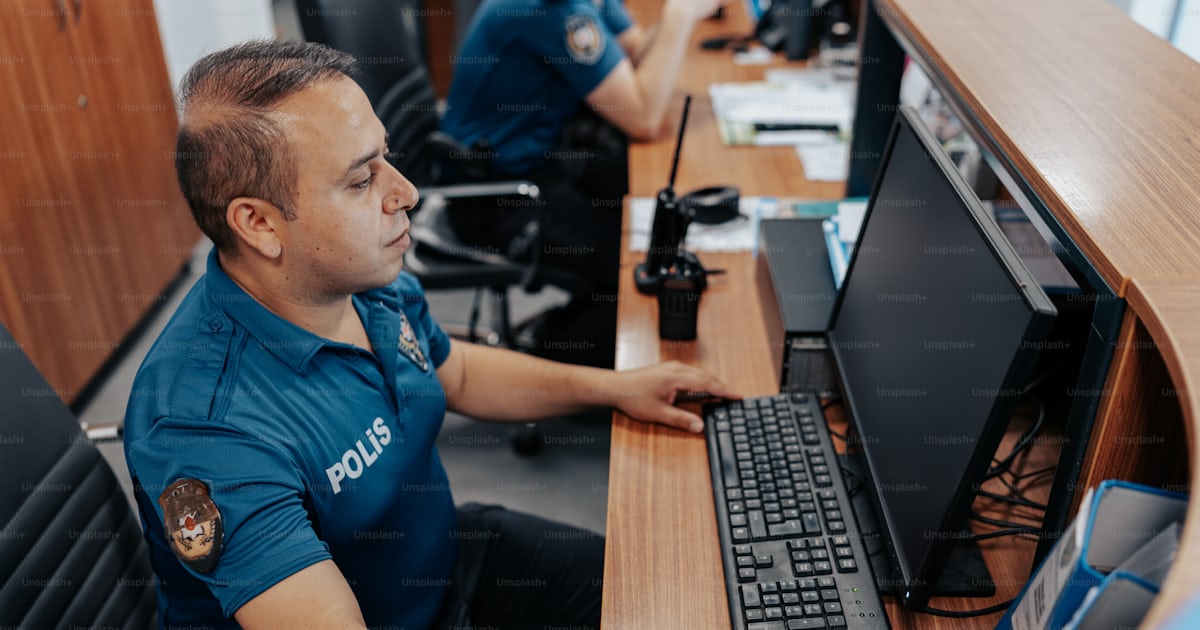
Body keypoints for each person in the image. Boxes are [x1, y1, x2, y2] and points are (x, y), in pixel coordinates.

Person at [123, 40, 736, 630]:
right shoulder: (206, 427)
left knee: (673, 589)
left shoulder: (357, 274)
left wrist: (618, 388)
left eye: (385, 158)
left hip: (446, 559)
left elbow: (457, 371)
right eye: (361, 181)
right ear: (258, 223)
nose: (407, 194)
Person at [439, 0, 729, 368]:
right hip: (496, 198)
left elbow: (634, 54)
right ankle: (545, 366)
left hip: (544, 165)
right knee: (639, 262)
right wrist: (679, 16)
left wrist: (676, 17)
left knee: (650, 217)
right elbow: (643, 116)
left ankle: (567, 343)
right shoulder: (553, 10)